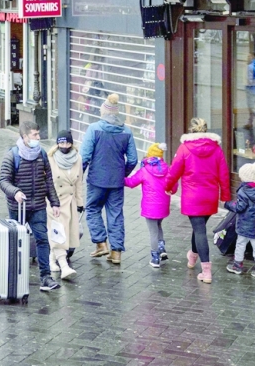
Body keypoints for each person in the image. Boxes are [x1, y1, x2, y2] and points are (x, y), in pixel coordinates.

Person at [0, 120, 62, 292]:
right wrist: (15, 192)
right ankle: (14, 276)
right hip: (18, 207)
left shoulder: (41, 154)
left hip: (38, 205)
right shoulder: (12, 155)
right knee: (16, 241)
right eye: (34, 134)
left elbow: (48, 179)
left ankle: (46, 277)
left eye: (38, 134)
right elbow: (3, 180)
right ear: (25, 136)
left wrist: (54, 202)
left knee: (42, 239)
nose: (38, 137)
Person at [164, 118, 231, 284]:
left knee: (199, 230)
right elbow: (224, 173)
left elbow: (174, 171)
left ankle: (206, 271)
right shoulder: (216, 149)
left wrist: (167, 186)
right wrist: (225, 196)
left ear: (191, 131)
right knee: (199, 227)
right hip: (210, 196)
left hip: (192, 196)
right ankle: (192, 257)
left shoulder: (184, 148)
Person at [80, 93, 138, 265]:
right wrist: (123, 173)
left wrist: (78, 176)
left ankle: (101, 244)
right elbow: (133, 159)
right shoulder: (126, 131)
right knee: (116, 214)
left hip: (96, 180)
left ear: (103, 112)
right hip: (116, 181)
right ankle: (116, 252)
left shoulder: (94, 129)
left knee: (92, 209)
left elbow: (84, 157)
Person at [124, 143, 171, 268]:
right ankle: (162, 249)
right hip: (163, 205)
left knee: (153, 232)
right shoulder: (167, 169)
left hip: (150, 207)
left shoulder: (144, 170)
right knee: (159, 225)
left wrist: (119, 179)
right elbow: (174, 186)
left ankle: (155, 258)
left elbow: (131, 182)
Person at [46, 130, 84, 280]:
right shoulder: (50, 158)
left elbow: (79, 182)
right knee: (58, 232)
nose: (64, 145)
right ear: (57, 144)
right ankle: (64, 265)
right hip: (54, 202)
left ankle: (51, 260)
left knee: (64, 232)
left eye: (67, 142)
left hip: (70, 202)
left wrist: (80, 202)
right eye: (61, 142)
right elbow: (46, 182)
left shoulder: (78, 158)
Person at [225, 161, 255, 279]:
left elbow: (240, 207)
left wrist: (229, 205)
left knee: (240, 243)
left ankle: (237, 265)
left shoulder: (244, 191)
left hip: (245, 222)